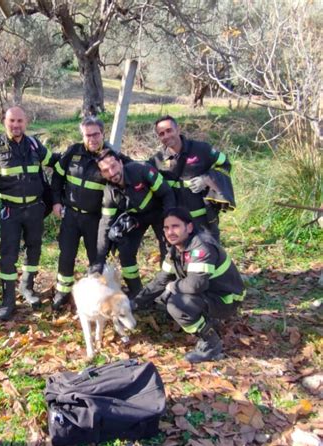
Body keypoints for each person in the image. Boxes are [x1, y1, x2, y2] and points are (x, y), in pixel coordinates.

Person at [133, 207, 245, 363]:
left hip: (227, 298)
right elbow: (161, 280)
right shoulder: (176, 250)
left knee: (177, 303)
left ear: (190, 227)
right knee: (163, 298)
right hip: (212, 292)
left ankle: (211, 345)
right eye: (166, 228)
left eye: (175, 226)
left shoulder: (201, 248)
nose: (170, 232)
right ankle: (207, 320)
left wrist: (172, 287)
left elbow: (195, 285)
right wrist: (135, 303)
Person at [0, 106, 57, 321]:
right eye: (12, 121)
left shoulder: (34, 145)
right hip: (10, 211)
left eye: (20, 121)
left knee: (34, 249)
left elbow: (55, 161)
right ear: (4, 121)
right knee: (8, 255)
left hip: (35, 209)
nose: (16, 125)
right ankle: (8, 300)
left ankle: (27, 288)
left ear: (26, 122)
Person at [50, 117, 129, 310]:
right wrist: (56, 202)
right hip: (70, 215)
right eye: (87, 135)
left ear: (102, 133)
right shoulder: (72, 152)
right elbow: (57, 177)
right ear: (82, 136)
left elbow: (130, 174)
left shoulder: (111, 157)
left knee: (96, 257)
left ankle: (100, 295)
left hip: (96, 219)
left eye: (95, 134)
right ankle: (63, 292)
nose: (92, 138)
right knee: (66, 255)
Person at [92, 149, 176, 298]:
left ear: (120, 163)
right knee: (125, 251)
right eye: (106, 170)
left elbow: (166, 194)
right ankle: (138, 293)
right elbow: (105, 224)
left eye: (113, 166)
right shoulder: (109, 193)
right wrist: (98, 260)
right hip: (136, 219)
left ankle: (167, 292)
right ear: (102, 173)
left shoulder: (142, 170)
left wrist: (170, 221)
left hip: (159, 213)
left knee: (168, 251)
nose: (112, 173)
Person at [150, 115, 235, 242]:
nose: (166, 136)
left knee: (210, 254)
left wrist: (206, 180)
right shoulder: (157, 160)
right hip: (178, 224)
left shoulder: (202, 149)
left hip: (205, 219)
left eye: (169, 130)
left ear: (178, 130)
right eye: (161, 134)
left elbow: (225, 164)